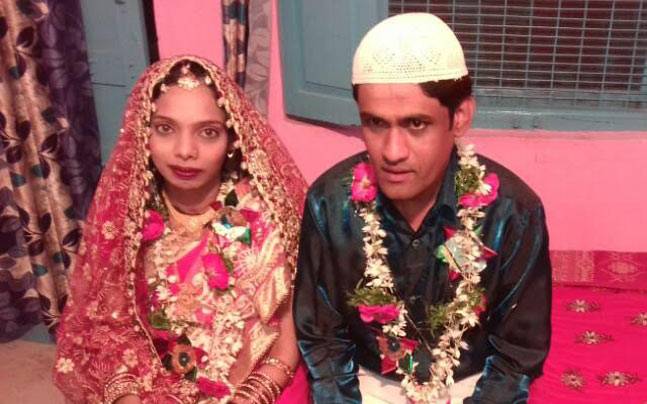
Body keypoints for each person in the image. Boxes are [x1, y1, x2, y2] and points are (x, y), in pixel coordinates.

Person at [293, 13, 551, 404]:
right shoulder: (329, 204)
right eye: (375, 123)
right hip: (366, 383)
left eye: (416, 124)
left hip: (472, 383)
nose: (392, 152)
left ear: (459, 117)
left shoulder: (512, 212)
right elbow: (322, 339)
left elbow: (517, 354)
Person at [54, 56, 311, 404]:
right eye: (165, 128)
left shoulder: (266, 215)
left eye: (208, 132)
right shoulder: (127, 216)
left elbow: (287, 341)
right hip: (152, 382)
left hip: (254, 382)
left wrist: (249, 397)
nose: (185, 151)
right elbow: (105, 329)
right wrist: (127, 396)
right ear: (143, 132)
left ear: (231, 139)